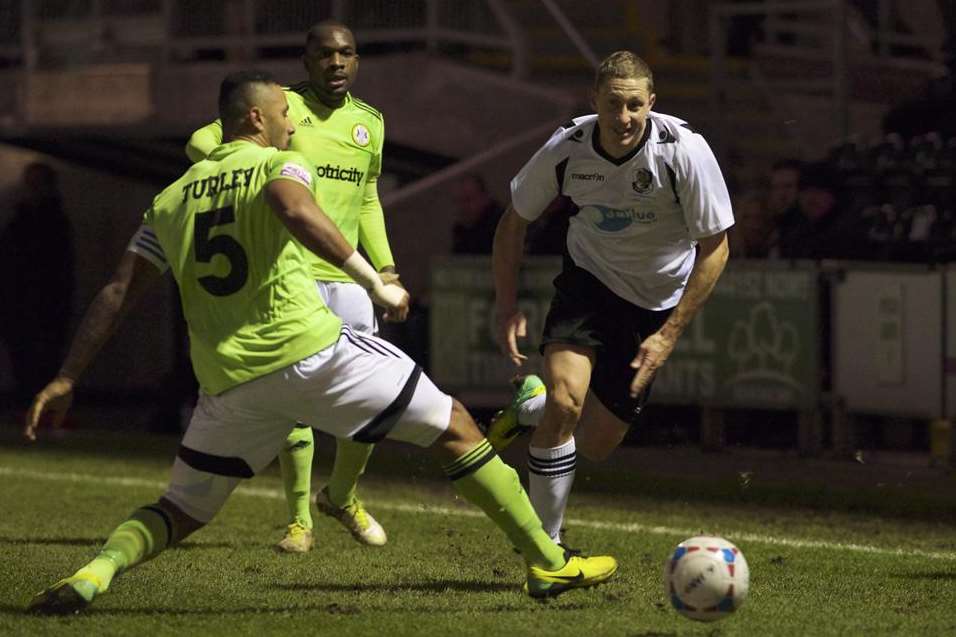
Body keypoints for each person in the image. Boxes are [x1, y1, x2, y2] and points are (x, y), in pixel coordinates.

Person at [24, 71, 617, 615]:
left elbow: (116, 292)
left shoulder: (172, 199)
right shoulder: (279, 166)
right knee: (456, 426)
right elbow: (294, 209)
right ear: (256, 118)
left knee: (180, 509)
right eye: (284, 112)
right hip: (312, 352)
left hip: (230, 383)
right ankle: (548, 561)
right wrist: (374, 283)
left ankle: (95, 573)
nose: (291, 122)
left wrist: (67, 377)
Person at [488, 51, 734, 546]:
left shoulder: (684, 150)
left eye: (635, 106)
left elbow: (716, 247)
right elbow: (513, 223)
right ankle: (546, 549)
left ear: (652, 103)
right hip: (588, 284)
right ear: (594, 100)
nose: (623, 119)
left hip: (654, 304)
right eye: (613, 105)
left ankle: (529, 409)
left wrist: (668, 334)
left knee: (596, 444)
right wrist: (507, 305)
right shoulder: (568, 146)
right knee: (567, 401)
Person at [186, 20, 396, 553]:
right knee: (293, 406)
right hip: (290, 274)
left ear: (358, 60)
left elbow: (368, 199)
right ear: (306, 61)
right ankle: (299, 520)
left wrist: (386, 268)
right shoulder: (283, 107)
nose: (337, 63)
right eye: (324, 54)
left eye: (346, 53)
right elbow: (201, 141)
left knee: (369, 401)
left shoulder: (370, 123)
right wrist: (235, 173)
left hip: (348, 280)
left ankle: (342, 494)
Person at [0, 162, 74, 411]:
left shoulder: (51, 223)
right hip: (20, 307)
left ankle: (42, 414)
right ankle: (29, 413)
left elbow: (60, 271)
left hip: (44, 308)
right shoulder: (20, 222)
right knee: (24, 365)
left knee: (44, 364)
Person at [451, 174, 503, 255]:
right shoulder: (461, 231)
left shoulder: (501, 226)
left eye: (468, 200)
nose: (463, 207)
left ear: (484, 197)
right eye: (458, 201)